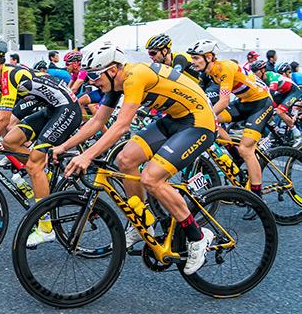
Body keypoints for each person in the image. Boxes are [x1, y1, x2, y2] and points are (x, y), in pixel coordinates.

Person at [61, 42, 216, 274]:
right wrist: (62, 147)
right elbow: (97, 122)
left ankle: (198, 235)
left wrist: (87, 155)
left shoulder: (135, 76)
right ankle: (141, 221)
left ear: (113, 70)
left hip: (198, 122)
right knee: (125, 160)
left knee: (151, 179)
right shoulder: (115, 83)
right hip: (175, 120)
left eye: (95, 75)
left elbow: (122, 125)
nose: (92, 81)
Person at [0, 36, 82, 247]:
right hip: (52, 109)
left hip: (67, 109)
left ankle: (46, 229)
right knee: (10, 141)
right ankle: (42, 170)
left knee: (33, 163)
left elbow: (3, 120)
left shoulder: (10, 75)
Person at [189, 39, 273, 219]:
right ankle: (233, 154)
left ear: (209, 57)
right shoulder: (211, 74)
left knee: (247, 148)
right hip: (245, 103)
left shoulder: (224, 69)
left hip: (261, 104)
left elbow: (224, 101)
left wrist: (205, 115)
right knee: (214, 121)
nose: (193, 61)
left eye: (196, 58)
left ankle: (257, 198)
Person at [250, 61, 302, 144]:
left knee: (279, 111)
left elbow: (271, 94)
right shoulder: (260, 79)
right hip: (283, 92)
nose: (254, 74)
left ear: (263, 70)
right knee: (265, 109)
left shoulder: (271, 77)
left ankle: (297, 134)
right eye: (253, 72)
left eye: (256, 71)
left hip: (293, 91)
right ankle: (275, 131)